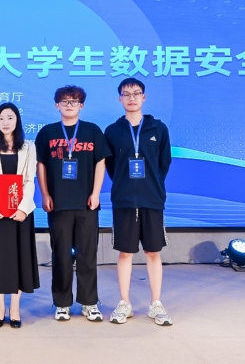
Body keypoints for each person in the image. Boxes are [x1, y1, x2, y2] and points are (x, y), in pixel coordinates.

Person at [35, 85, 110, 322]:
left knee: (87, 256)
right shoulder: (47, 132)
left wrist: (96, 193)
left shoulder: (92, 130)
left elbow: (100, 162)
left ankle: (89, 302)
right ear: (57, 105)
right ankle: (62, 304)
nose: (69, 105)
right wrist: (45, 194)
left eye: (74, 101)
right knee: (61, 257)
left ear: (82, 105)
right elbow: (41, 165)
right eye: (65, 101)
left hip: (87, 204)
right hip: (58, 204)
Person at [104, 77, 173, 326]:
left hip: (152, 198)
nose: (131, 98)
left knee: (153, 252)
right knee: (125, 252)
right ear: (120, 99)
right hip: (124, 200)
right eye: (126, 94)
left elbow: (164, 163)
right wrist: (126, 184)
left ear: (144, 97)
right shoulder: (113, 131)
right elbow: (111, 166)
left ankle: (156, 304)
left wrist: (151, 184)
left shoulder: (158, 129)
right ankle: (125, 303)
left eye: (136, 93)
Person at [0, 102, 40, 328]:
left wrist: (23, 208)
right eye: (1, 118)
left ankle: (15, 308)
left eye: (10, 118)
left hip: (19, 213)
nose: (5, 122)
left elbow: (30, 179)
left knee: (18, 260)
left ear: (17, 120)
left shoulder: (28, 147)